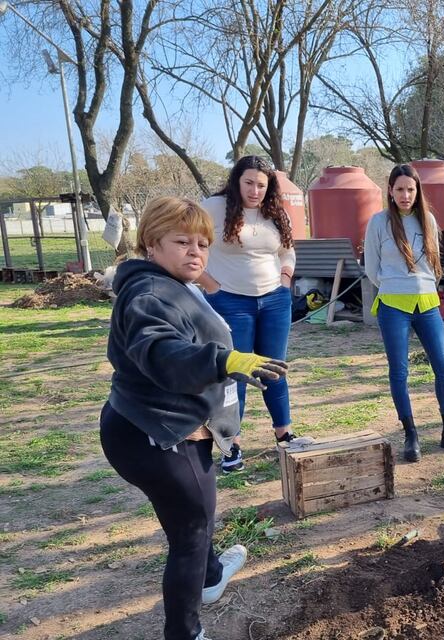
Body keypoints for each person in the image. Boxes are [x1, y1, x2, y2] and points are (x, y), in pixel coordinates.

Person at [100, 196, 288, 640]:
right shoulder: (149, 294)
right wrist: (223, 361)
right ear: (151, 243)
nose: (195, 252)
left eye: (202, 244)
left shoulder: (171, 283)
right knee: (191, 531)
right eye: (181, 242)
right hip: (157, 434)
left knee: (193, 516)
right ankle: (185, 632)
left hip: (167, 425)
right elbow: (161, 353)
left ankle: (211, 575)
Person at [198, 155, 302, 473]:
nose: (254, 191)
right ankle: (231, 444)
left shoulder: (275, 211)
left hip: (274, 301)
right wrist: (210, 285)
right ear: (236, 181)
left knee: (274, 369)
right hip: (230, 302)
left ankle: (284, 435)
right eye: (248, 183)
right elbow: (191, 246)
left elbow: (287, 250)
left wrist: (285, 279)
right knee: (236, 374)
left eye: (261, 185)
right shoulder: (214, 208)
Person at [364, 164, 444, 462]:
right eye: (399, 189)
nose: (405, 195)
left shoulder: (428, 220)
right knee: (399, 372)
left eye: (410, 189)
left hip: (427, 304)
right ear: (390, 191)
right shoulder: (379, 222)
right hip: (393, 305)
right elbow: (371, 268)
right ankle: (411, 434)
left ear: (417, 190)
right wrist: (395, 285)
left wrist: (423, 286)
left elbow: (435, 264)